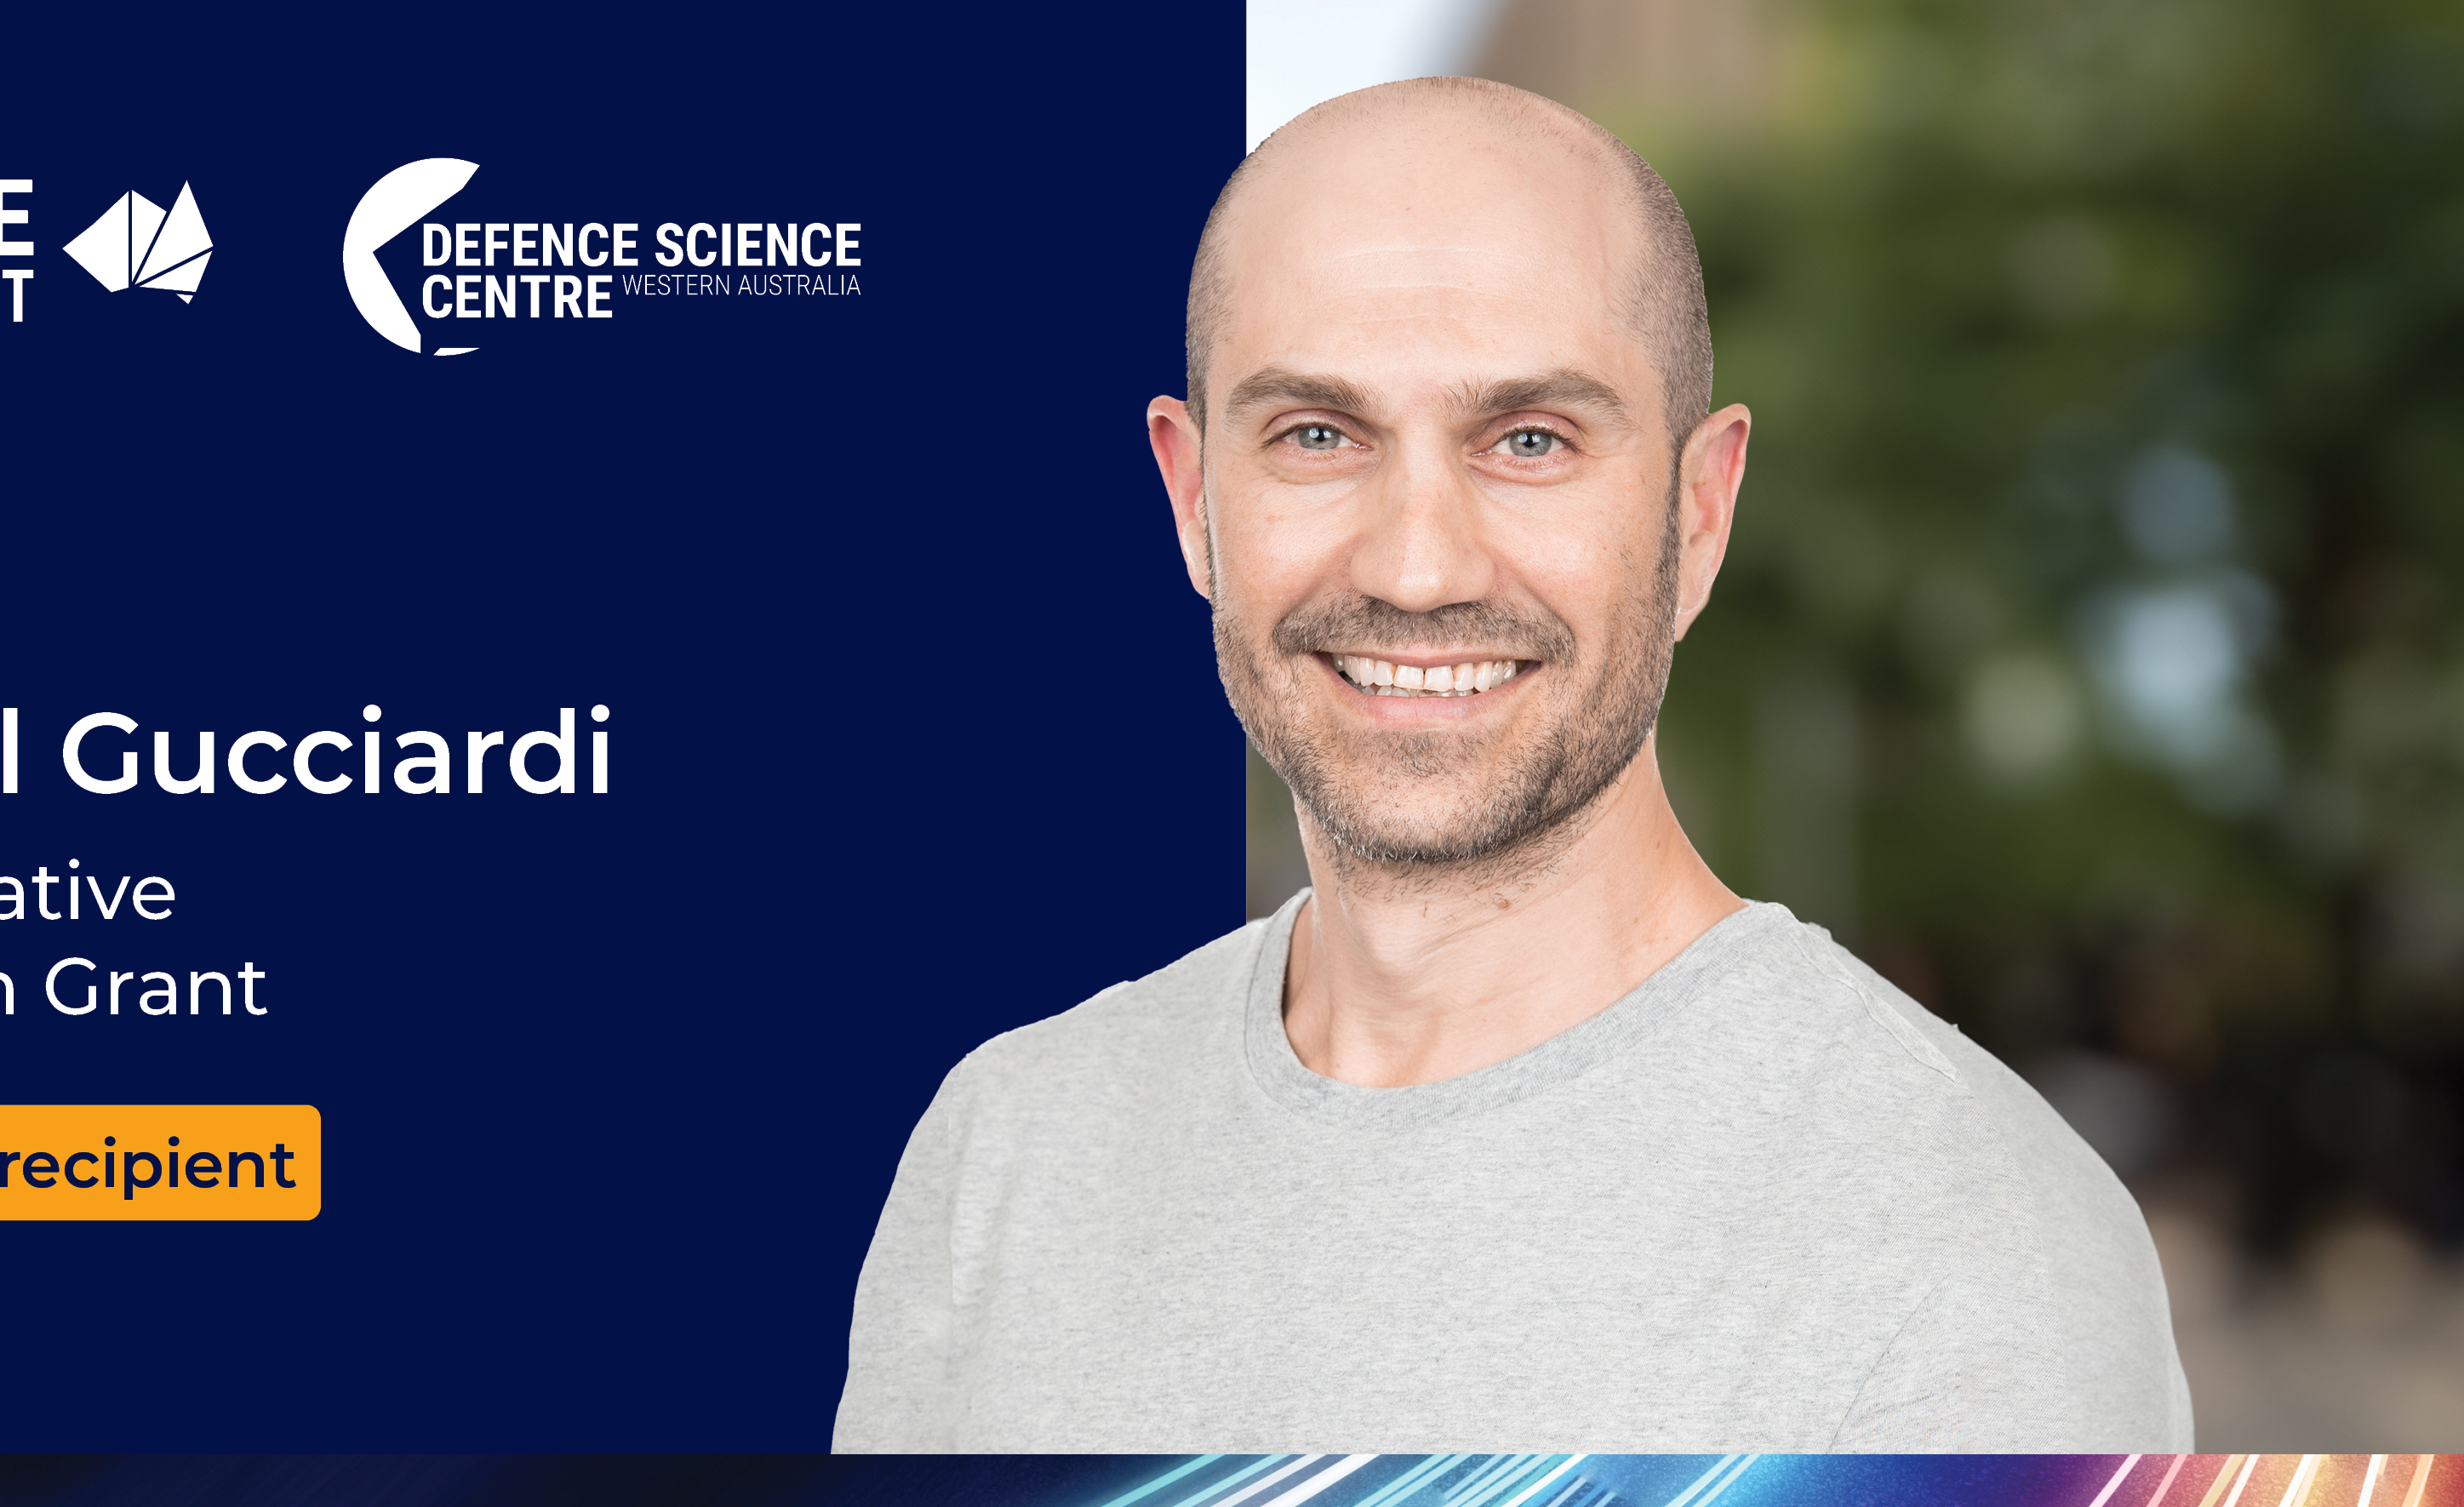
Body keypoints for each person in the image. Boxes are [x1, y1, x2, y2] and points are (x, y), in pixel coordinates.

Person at [833, 77, 2191, 1452]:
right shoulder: (1001, 1154)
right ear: (1193, 504)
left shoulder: (1976, 1249)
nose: (1417, 567)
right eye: (1316, 435)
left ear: (1697, 514)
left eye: (1529, 440)